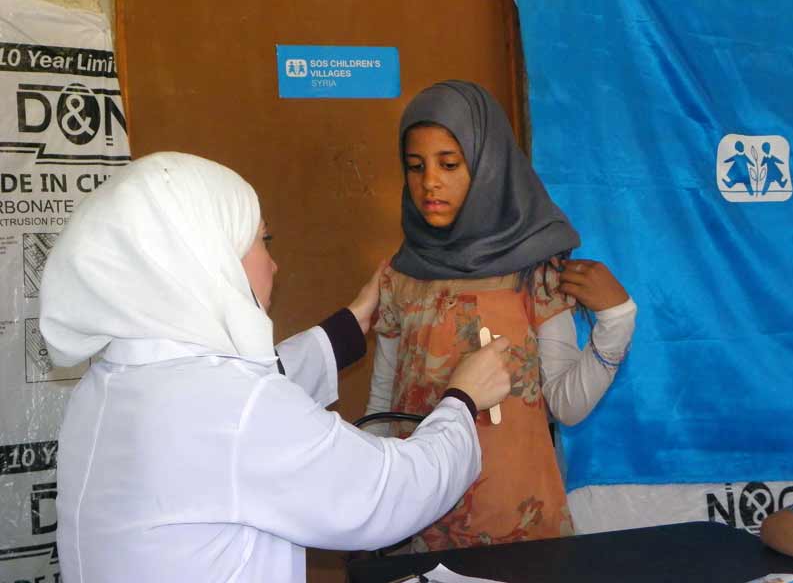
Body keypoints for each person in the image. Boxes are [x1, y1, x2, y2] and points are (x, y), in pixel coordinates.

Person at [39, 152, 512, 583]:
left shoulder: (108, 384)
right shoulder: (234, 409)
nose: (275, 264)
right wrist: (461, 400)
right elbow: (387, 493)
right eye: (262, 241)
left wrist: (349, 326)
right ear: (210, 261)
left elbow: (238, 405)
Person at [364, 81, 637, 551]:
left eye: (450, 164)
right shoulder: (399, 275)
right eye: (415, 166)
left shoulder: (533, 268)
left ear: (490, 165)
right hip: (422, 516)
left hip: (517, 520)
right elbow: (383, 405)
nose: (430, 181)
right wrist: (371, 499)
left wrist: (617, 320)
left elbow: (566, 405)